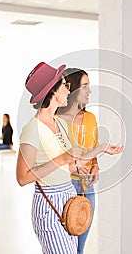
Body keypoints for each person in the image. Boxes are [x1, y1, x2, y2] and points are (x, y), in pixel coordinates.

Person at [16, 62, 123, 254]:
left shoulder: (59, 124)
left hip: (68, 198)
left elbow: (72, 162)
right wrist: (61, 160)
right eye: (65, 85)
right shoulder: (33, 129)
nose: (68, 90)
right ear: (52, 91)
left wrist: (101, 148)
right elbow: (23, 178)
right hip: (49, 202)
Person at [57, 68, 98, 254]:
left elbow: (93, 151)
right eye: (85, 86)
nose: (89, 91)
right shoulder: (56, 120)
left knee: (79, 249)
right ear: (72, 90)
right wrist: (71, 166)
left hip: (87, 188)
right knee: (63, 246)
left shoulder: (91, 119)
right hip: (64, 187)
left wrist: (95, 166)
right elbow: (52, 158)